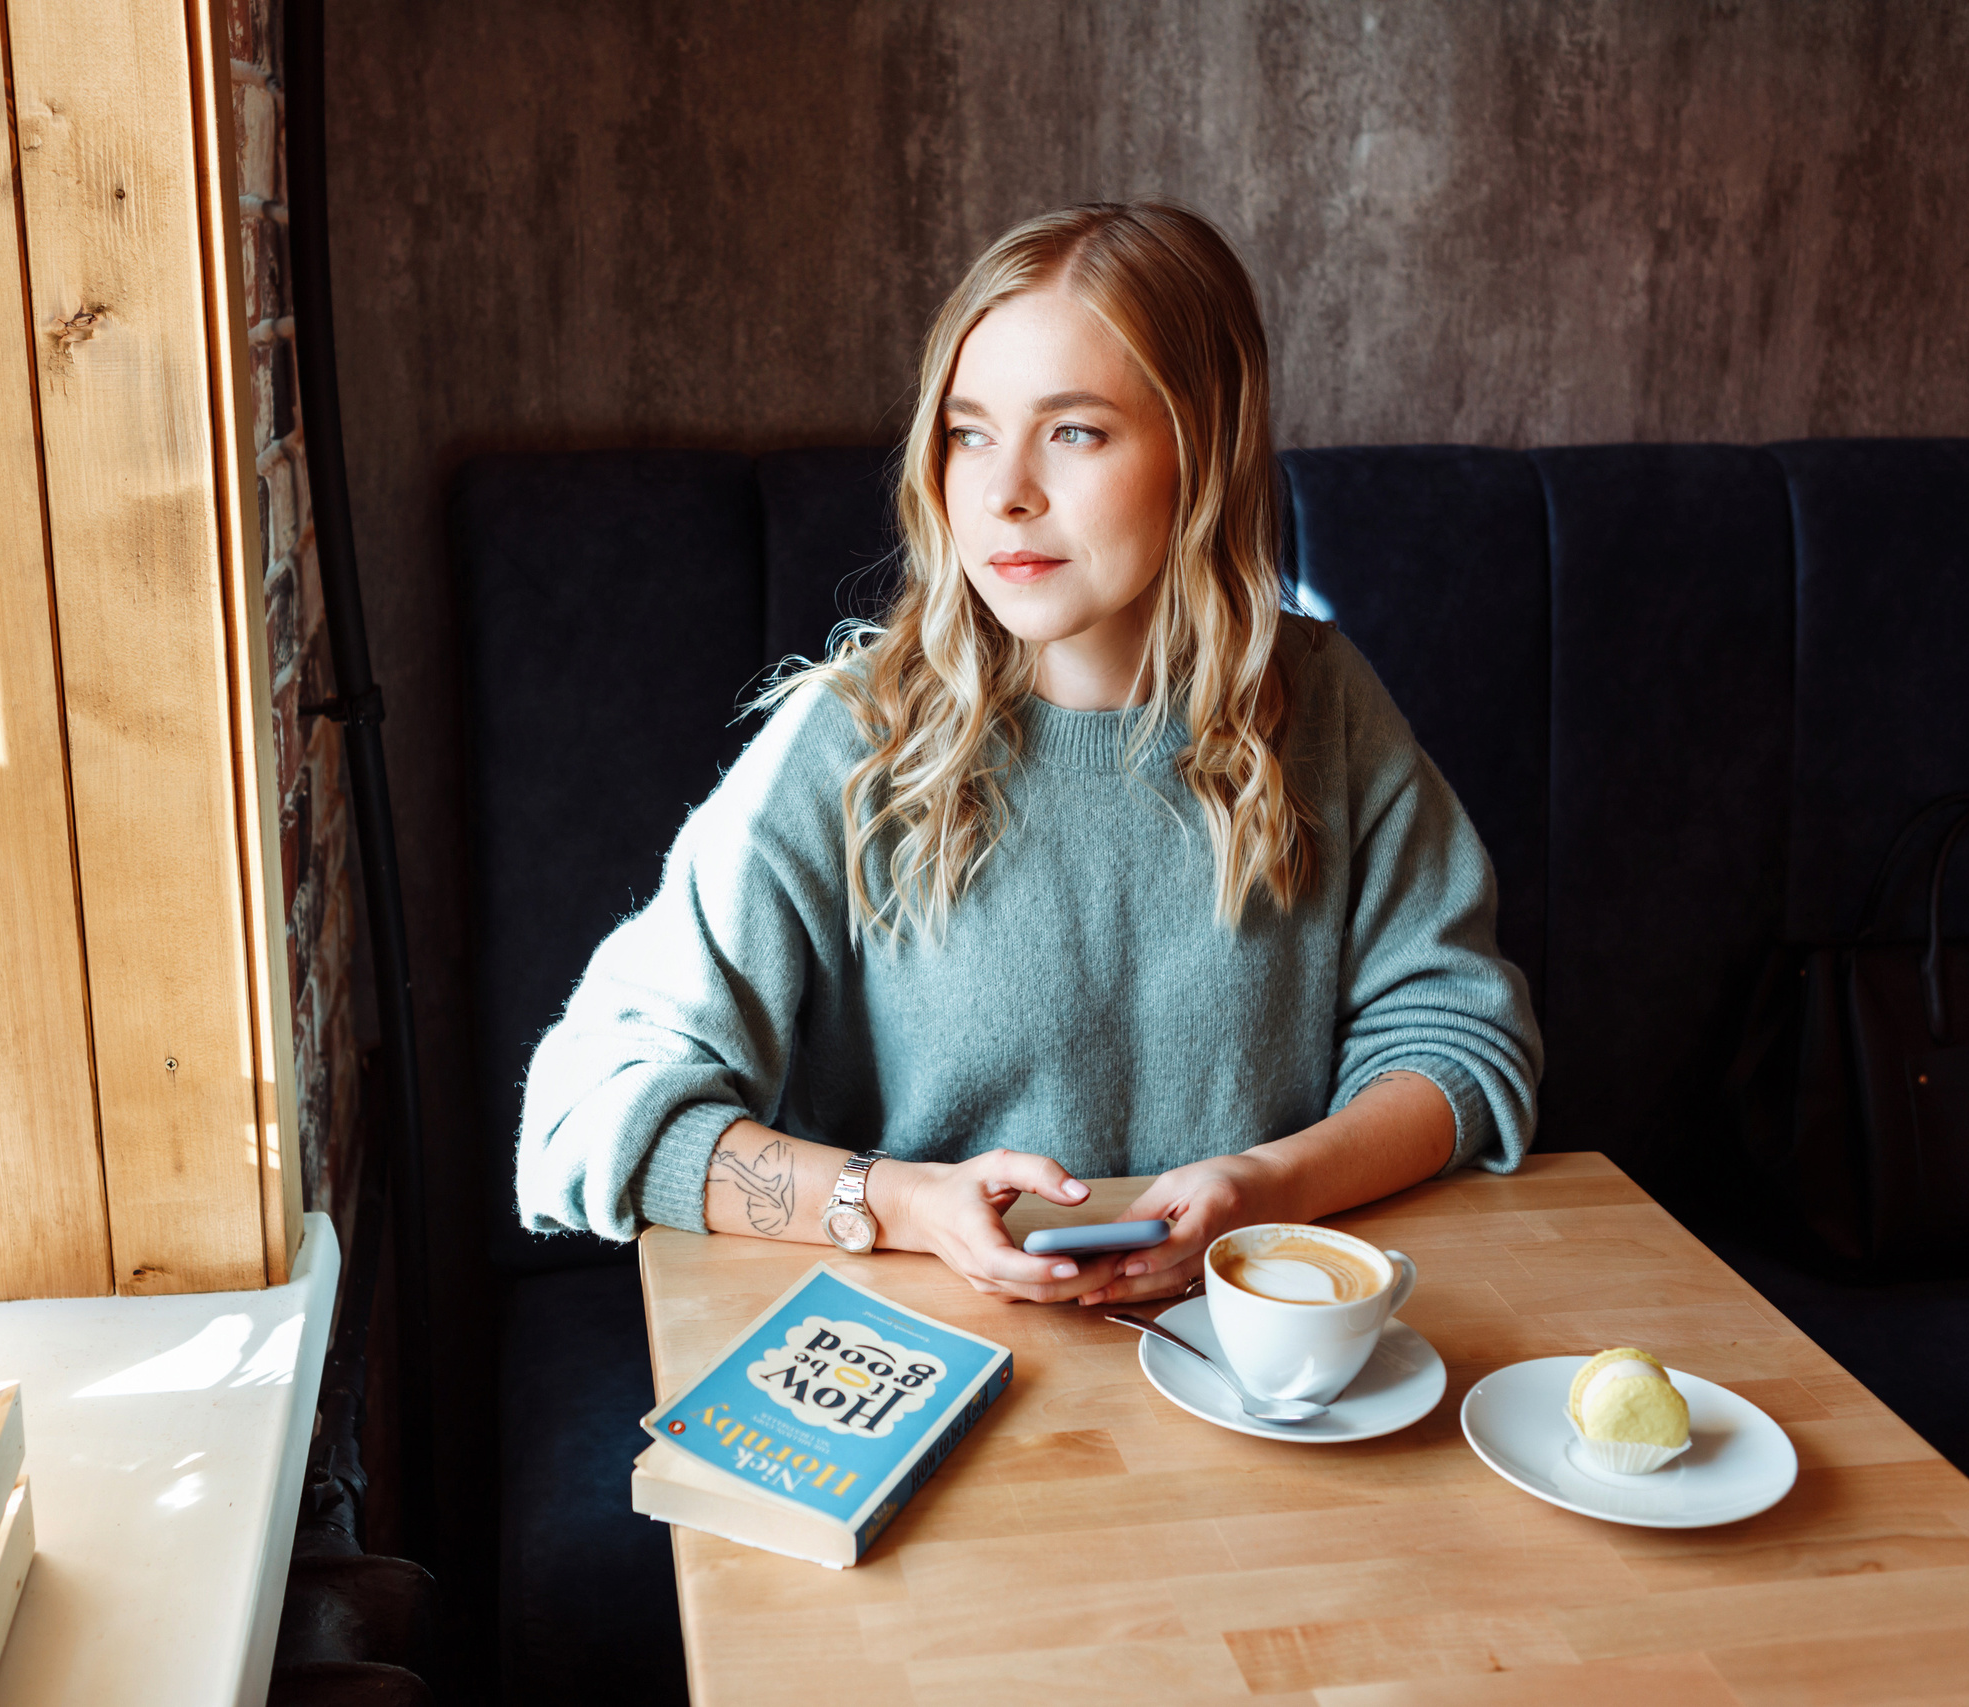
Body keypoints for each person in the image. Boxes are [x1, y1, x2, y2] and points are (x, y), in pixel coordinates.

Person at [517, 201, 1540, 1307]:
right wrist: (899, 1204)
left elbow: (1461, 1044)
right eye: (967, 432)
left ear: (1202, 453)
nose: (1002, 489)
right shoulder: (850, 741)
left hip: (1239, 1364)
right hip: (920, 1360)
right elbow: (588, 1108)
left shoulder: (1323, 707)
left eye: (1074, 431)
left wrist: (1264, 1188)